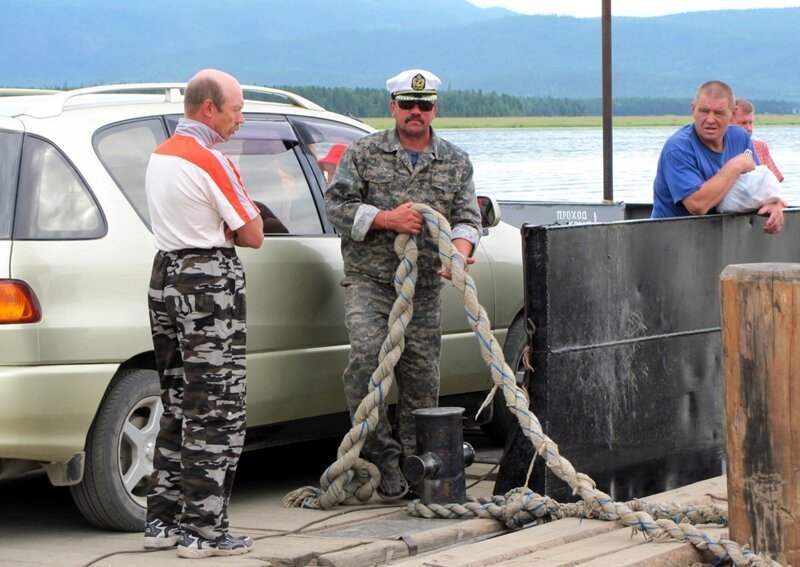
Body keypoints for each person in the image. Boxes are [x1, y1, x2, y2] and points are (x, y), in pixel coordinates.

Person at [324, 69, 481, 500]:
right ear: (392, 106)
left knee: (422, 380)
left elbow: (468, 217)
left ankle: (419, 468)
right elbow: (336, 206)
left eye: (424, 105)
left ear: (435, 109)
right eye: (407, 105)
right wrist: (386, 218)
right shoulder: (362, 153)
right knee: (366, 361)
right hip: (371, 283)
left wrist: (460, 249)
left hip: (426, 288)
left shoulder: (456, 160)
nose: (416, 113)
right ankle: (380, 460)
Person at [142, 69, 264, 558]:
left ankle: (162, 522)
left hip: (165, 273)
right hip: (208, 281)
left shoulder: (162, 153)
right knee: (217, 408)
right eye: (236, 108)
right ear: (208, 108)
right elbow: (253, 233)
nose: (241, 117)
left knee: (177, 401)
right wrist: (234, 225)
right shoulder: (210, 158)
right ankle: (204, 531)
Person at [651, 80, 784, 234]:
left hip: (720, 238)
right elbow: (698, 205)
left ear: (732, 113)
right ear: (693, 109)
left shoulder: (740, 138)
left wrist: (773, 204)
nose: (710, 119)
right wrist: (735, 166)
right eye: (704, 111)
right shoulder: (677, 148)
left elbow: (757, 187)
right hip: (673, 240)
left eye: (719, 113)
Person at [732, 98, 784, 182]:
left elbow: (776, 182)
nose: (749, 128)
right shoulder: (718, 149)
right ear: (728, 122)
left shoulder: (761, 147)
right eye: (743, 123)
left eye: (751, 123)